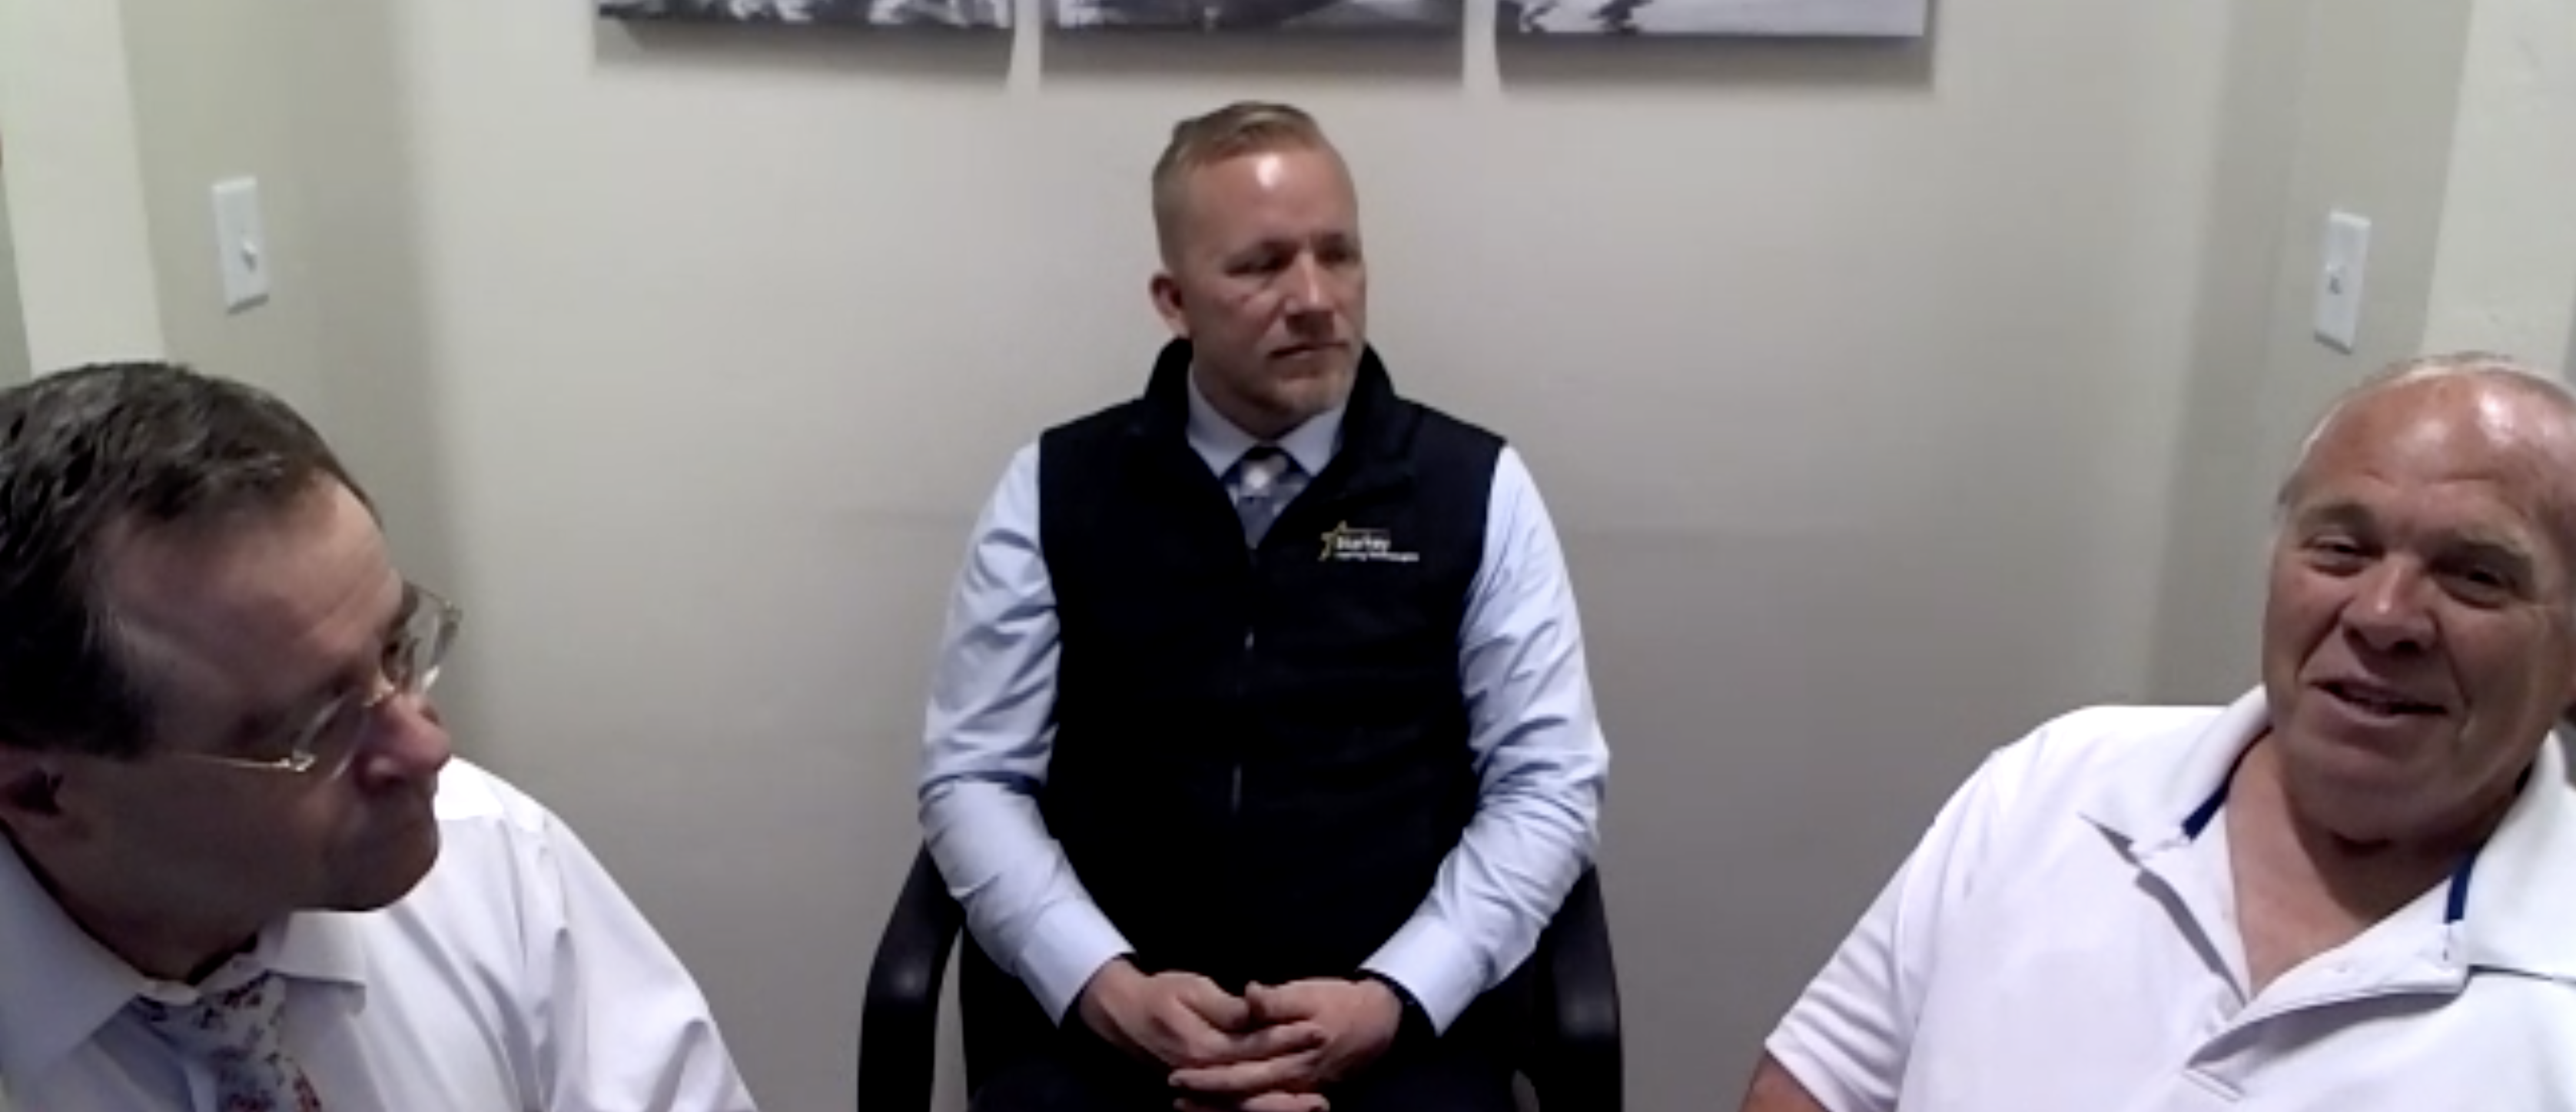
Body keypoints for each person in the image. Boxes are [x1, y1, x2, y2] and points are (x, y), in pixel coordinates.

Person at [918, 102, 1609, 1112]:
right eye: (1262, 266)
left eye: (1339, 254)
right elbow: (975, 774)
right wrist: (1103, 985)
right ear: (1174, 300)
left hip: (1393, 1041)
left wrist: (1396, 995)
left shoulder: (1473, 488)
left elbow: (1547, 782)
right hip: (1117, 1040)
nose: (1315, 299)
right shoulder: (1057, 487)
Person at [1738, 351, 2576, 1112]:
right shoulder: (2058, 782)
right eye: (2340, 549)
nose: (2382, 615)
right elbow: (1814, 1087)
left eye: (2476, 576)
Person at [0, 362, 759, 1111]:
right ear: (39, 794)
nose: (427, 750)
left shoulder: (490, 858)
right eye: (315, 725)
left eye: (396, 649)